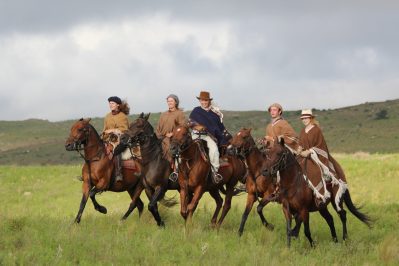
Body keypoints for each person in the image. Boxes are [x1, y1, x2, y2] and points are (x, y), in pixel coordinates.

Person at [189, 91, 232, 182]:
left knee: (214, 151)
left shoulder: (215, 114)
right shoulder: (196, 111)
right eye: (202, 100)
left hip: (208, 137)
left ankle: (215, 173)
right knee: (183, 148)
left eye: (205, 100)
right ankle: (178, 172)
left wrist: (229, 138)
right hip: (195, 135)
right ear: (199, 101)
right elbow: (190, 123)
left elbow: (220, 127)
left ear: (209, 101)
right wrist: (197, 126)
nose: (203, 102)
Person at [155, 94, 186, 179]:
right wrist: (162, 135)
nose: (169, 103)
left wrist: (173, 134)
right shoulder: (163, 114)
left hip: (174, 138)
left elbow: (182, 127)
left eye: (171, 101)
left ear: (175, 102)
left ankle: (174, 171)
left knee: (170, 148)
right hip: (161, 137)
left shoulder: (180, 114)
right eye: (168, 101)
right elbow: (158, 129)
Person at [103, 96, 130, 182]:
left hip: (120, 140)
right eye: (110, 103)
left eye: (112, 103)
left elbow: (125, 130)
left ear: (118, 105)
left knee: (117, 150)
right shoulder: (107, 116)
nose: (110, 105)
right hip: (108, 139)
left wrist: (114, 130)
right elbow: (105, 130)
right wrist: (105, 133)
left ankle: (119, 173)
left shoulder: (123, 116)